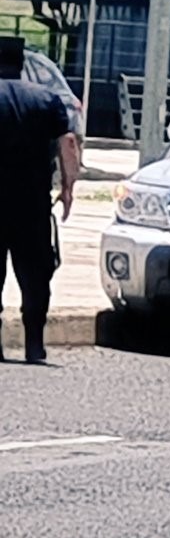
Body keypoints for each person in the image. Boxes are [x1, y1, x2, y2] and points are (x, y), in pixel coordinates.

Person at [0, 37, 79, 364]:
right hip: (31, 203)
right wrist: (68, 188)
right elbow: (69, 144)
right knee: (35, 277)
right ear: (20, 65)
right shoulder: (46, 99)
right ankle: (34, 344)